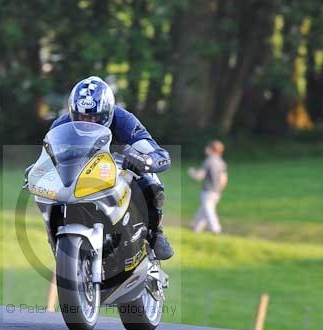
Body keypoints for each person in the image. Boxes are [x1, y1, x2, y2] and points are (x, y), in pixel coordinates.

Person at [50, 76, 174, 260]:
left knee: (152, 185)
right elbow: (48, 156)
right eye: (82, 117)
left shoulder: (124, 120)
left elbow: (155, 151)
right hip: (79, 174)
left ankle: (155, 233)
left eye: (94, 118)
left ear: (107, 113)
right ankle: (56, 238)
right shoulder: (61, 125)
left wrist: (146, 160)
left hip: (119, 167)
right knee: (51, 195)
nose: (88, 123)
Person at [188, 139, 227, 234]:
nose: (206, 149)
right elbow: (224, 179)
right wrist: (219, 190)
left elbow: (200, 175)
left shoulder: (208, 161)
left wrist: (192, 173)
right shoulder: (221, 162)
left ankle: (215, 229)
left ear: (211, 149)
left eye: (208, 147)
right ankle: (195, 227)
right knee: (204, 210)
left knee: (209, 211)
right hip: (217, 191)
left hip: (208, 191)